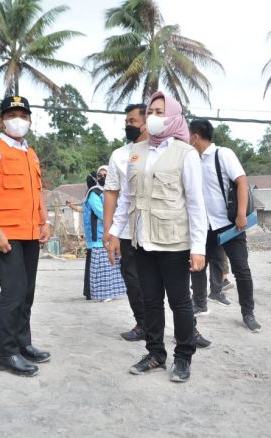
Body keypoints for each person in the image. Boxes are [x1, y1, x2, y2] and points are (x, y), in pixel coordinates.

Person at [107, 91, 208, 382]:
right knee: (150, 300)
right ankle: (155, 353)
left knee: (180, 302)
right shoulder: (136, 153)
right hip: (142, 240)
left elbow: (195, 204)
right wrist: (114, 232)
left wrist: (198, 248)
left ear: (174, 116)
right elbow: (127, 199)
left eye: (160, 112)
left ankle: (183, 356)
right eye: (151, 111)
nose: (153, 117)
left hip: (174, 242)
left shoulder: (185, 152)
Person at [0, 95, 52, 378]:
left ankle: (23, 343)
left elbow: (37, 192)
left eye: (22, 115)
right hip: (4, 234)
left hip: (30, 233)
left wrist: (44, 221)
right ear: (1, 120)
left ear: (30, 120)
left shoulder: (30, 154)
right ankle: (5, 353)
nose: (17, 120)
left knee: (26, 291)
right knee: (13, 291)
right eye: (11, 115)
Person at [188, 119, 261, 332]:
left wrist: (240, 214)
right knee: (197, 265)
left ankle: (248, 313)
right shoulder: (191, 159)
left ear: (194, 136)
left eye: (187, 135)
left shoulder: (223, 154)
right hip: (202, 225)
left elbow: (241, 182)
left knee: (241, 269)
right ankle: (200, 303)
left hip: (228, 224)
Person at [102, 104, 148, 341]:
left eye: (132, 121)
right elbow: (111, 193)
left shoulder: (166, 151)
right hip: (128, 230)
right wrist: (109, 231)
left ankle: (189, 327)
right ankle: (142, 324)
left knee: (172, 281)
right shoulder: (119, 155)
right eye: (126, 121)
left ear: (146, 122)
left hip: (159, 231)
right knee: (132, 279)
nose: (127, 126)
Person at [85, 166, 126, 302]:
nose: (103, 178)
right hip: (99, 235)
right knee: (102, 265)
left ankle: (111, 292)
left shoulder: (113, 192)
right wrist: (118, 219)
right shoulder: (94, 193)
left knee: (112, 265)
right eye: (100, 175)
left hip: (113, 232)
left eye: (106, 175)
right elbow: (100, 213)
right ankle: (103, 293)